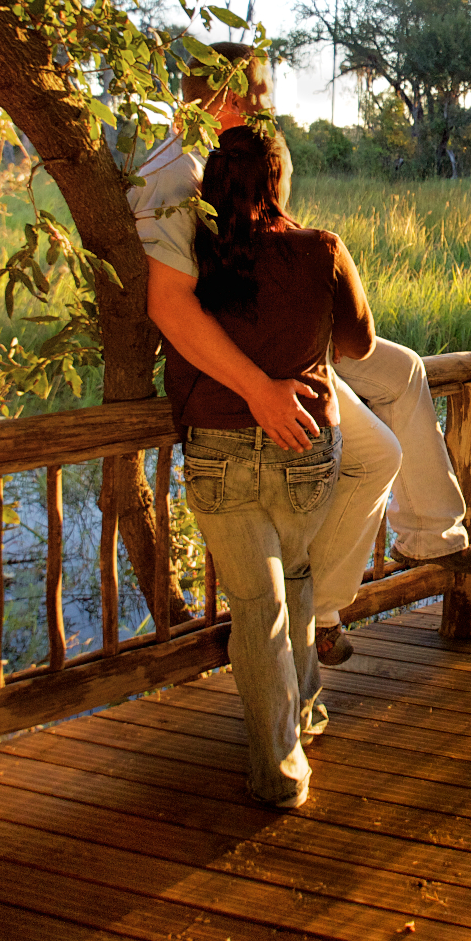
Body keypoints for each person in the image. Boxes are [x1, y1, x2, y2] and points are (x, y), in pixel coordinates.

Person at [127, 43, 471, 669]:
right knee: (376, 453)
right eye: (262, 94)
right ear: (232, 96)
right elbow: (168, 302)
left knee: (403, 368)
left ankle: (430, 535)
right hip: (247, 353)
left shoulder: (230, 155)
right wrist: (258, 389)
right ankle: (320, 611)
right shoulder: (178, 170)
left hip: (285, 331)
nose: (270, 107)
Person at [172, 124, 367, 807]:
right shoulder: (321, 249)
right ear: (279, 179)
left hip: (216, 450)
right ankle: (303, 715)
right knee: (298, 573)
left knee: (258, 605)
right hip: (303, 444)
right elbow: (359, 342)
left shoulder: (193, 255)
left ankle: (280, 770)